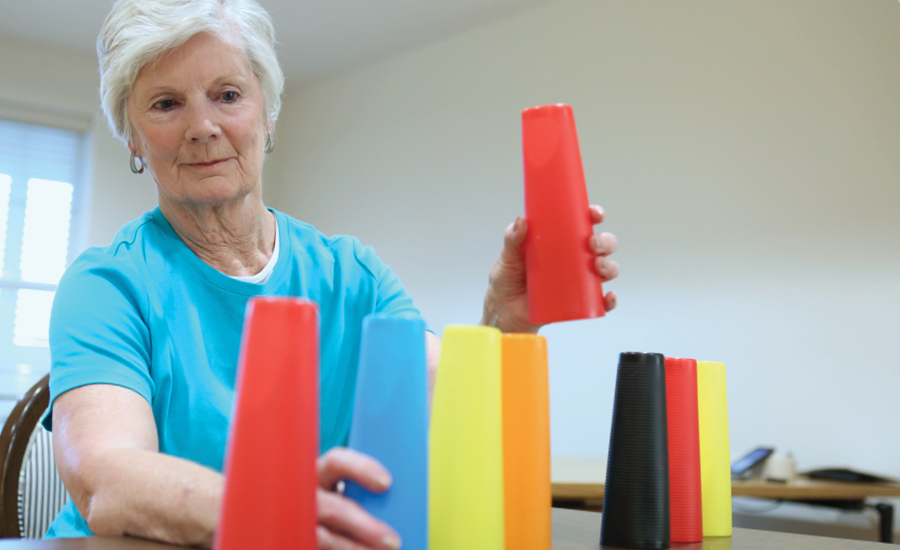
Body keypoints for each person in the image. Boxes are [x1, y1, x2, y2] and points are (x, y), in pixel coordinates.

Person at [44, 0, 620, 548]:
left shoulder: (352, 274)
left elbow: (443, 412)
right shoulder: (107, 285)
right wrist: (269, 507)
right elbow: (106, 478)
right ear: (132, 136)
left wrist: (505, 323)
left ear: (267, 114)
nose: (202, 126)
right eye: (166, 104)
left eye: (227, 94)